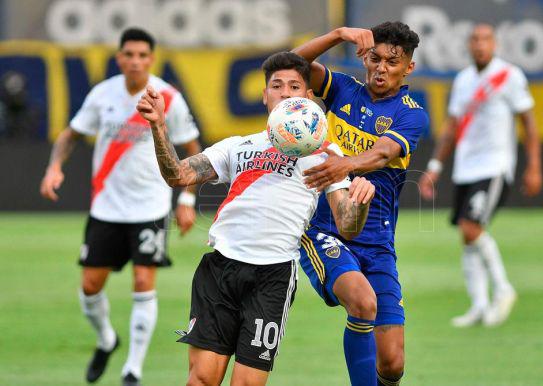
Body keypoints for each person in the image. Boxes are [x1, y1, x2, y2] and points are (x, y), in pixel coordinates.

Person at [136, 51, 376, 386]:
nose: (284, 91)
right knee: (201, 380)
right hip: (220, 269)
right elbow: (178, 175)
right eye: (276, 85)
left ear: (308, 97)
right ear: (265, 95)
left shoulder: (326, 155)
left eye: (294, 85)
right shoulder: (238, 146)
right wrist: (159, 126)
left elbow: (348, 226)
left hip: (273, 276)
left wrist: (361, 201)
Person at [39, 28, 201, 386]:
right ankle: (107, 340)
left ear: (151, 59)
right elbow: (70, 135)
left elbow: (194, 150)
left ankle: (133, 370)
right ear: (119, 58)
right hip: (107, 208)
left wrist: (186, 198)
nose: (136, 61)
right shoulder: (103, 94)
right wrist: (54, 166)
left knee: (144, 282)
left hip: (150, 207)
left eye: (143, 55)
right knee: (90, 286)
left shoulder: (168, 98)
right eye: (129, 54)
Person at [292, 22, 428, 386]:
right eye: (375, 58)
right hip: (327, 231)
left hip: (378, 243)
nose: (381, 68)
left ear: (408, 68)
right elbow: (289, 66)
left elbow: (383, 153)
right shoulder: (342, 89)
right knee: (363, 303)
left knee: (393, 363)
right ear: (365, 57)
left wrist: (346, 163)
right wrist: (338, 35)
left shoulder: (411, 113)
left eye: (392, 62)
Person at [418, 24, 542, 328]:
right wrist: (434, 166)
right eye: (474, 40)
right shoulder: (463, 80)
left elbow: (529, 121)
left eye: (485, 39)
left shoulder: (509, 75)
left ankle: (503, 289)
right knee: (466, 233)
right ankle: (479, 305)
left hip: (495, 164)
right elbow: (452, 127)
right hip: (466, 166)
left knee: (471, 227)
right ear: (469, 46)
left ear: (494, 44)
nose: (480, 45)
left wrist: (534, 166)